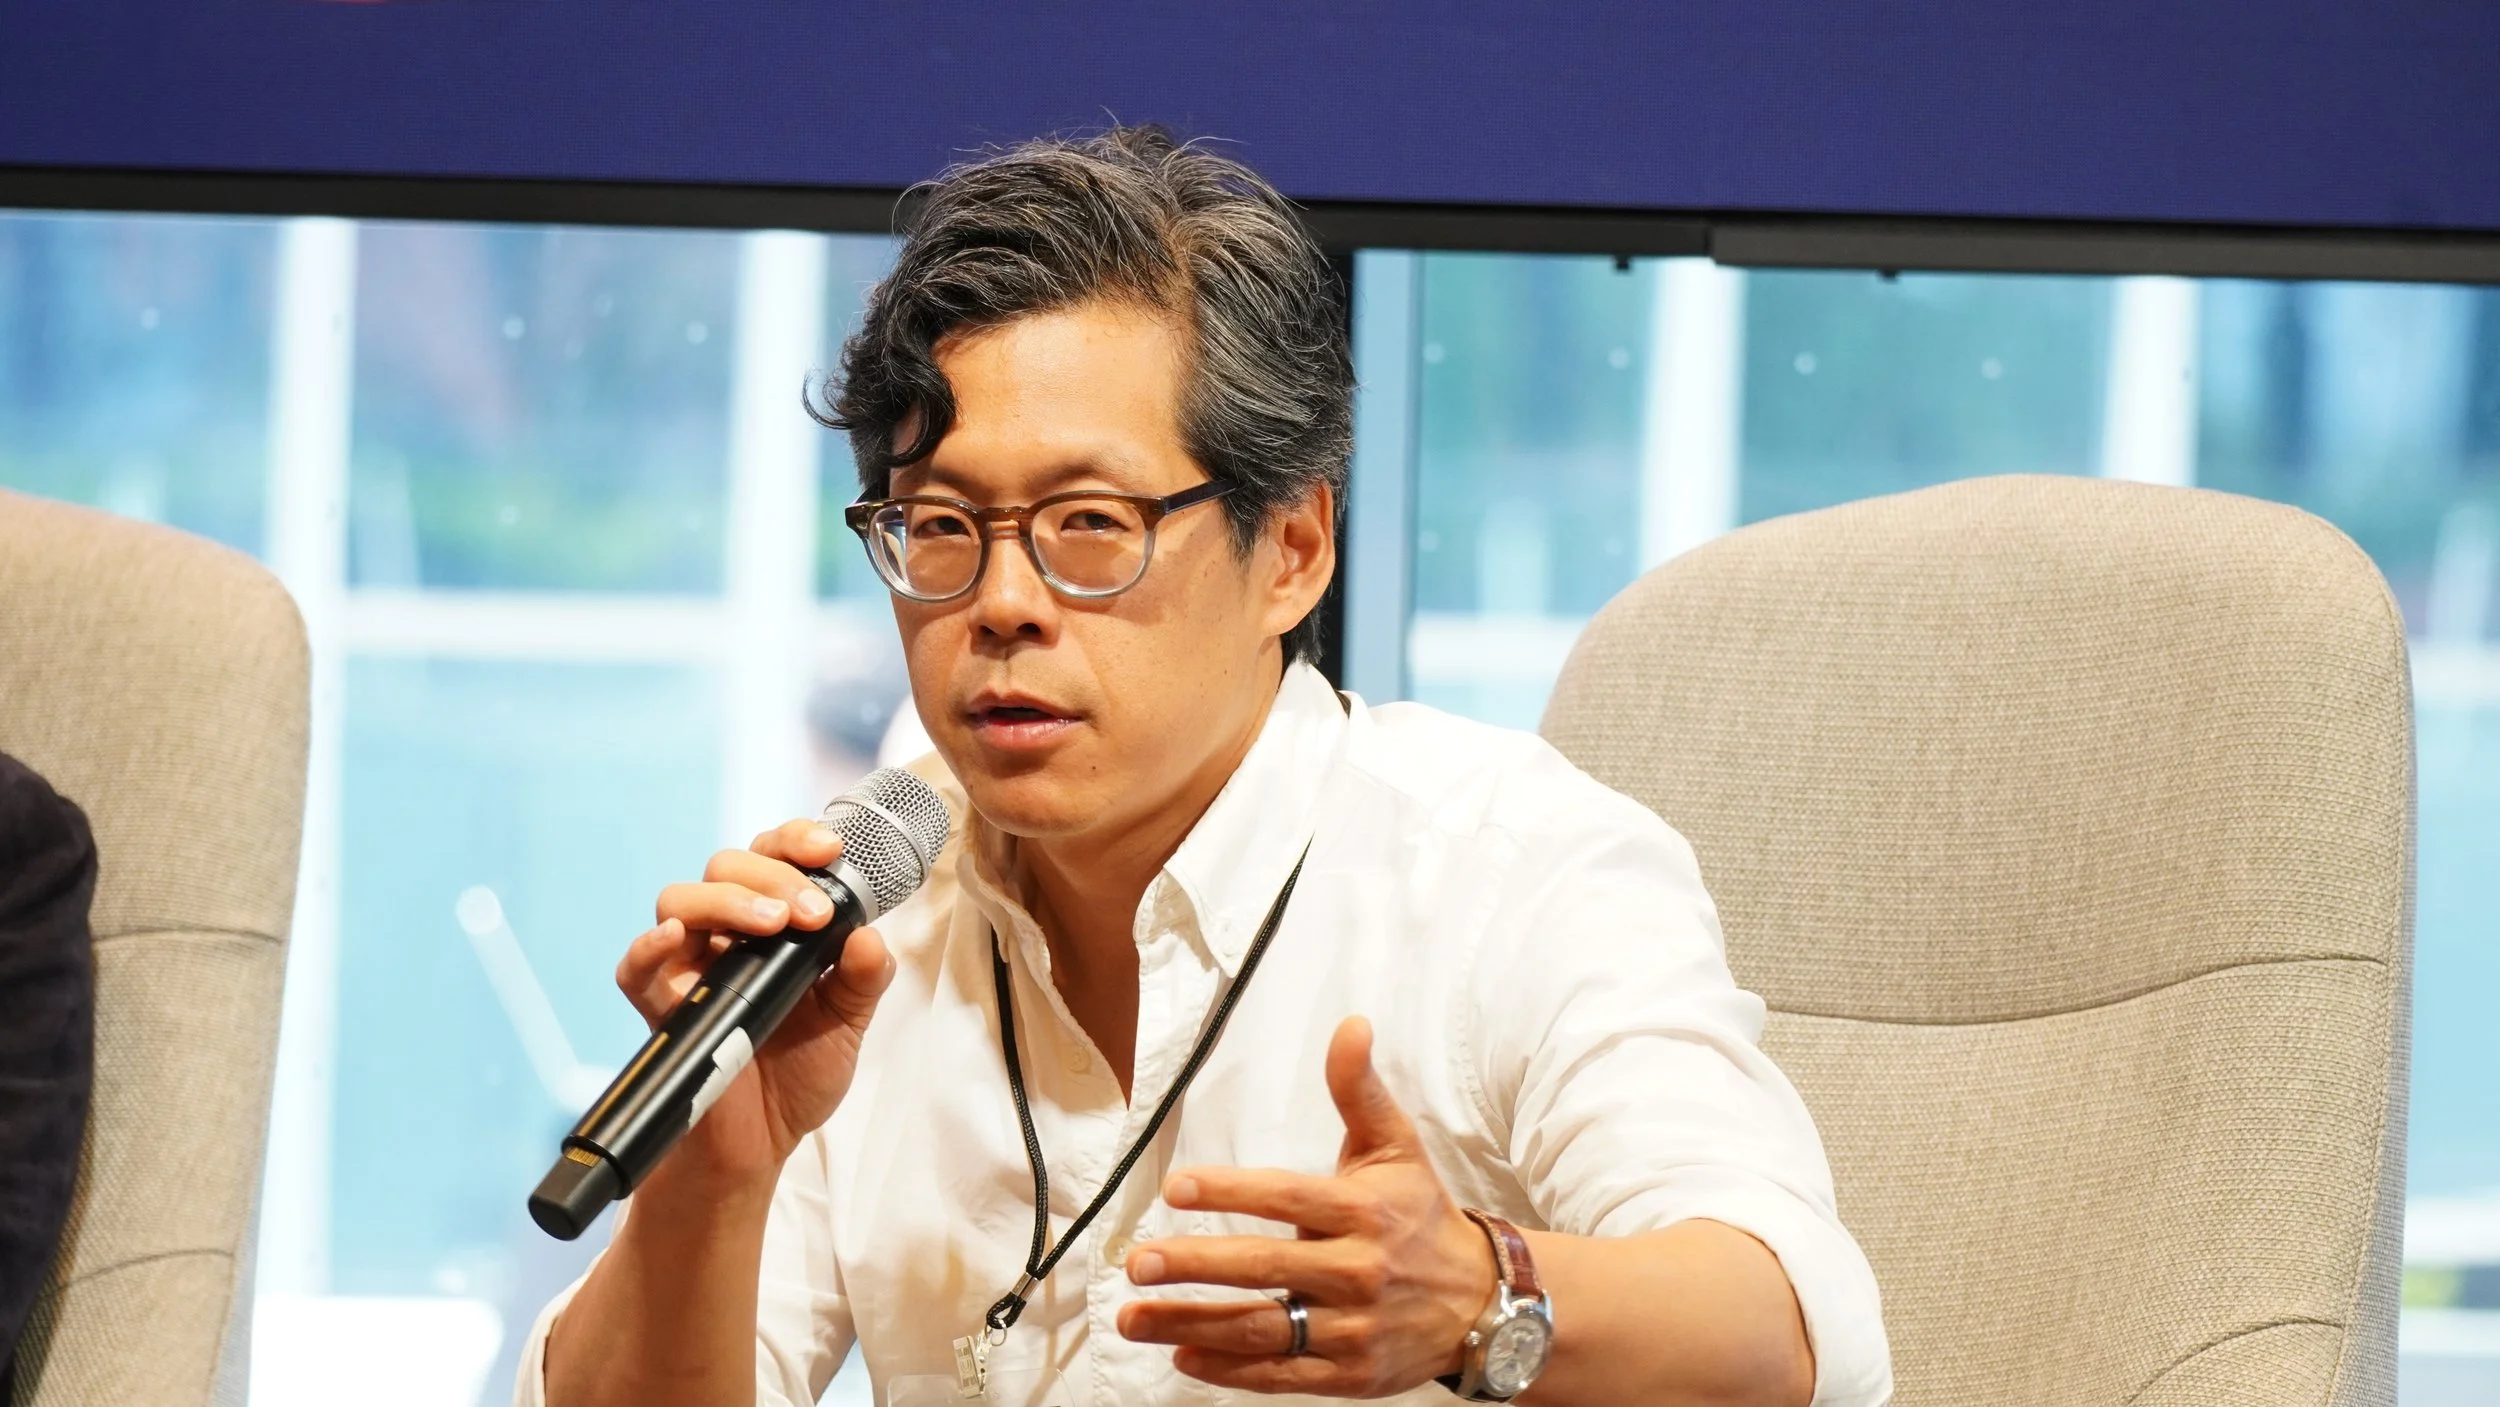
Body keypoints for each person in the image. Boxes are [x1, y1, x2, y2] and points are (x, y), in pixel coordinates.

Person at [524, 126, 1890, 1407]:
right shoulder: (860, 926)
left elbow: (1797, 1318)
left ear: (1290, 550)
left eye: (1089, 520)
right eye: (941, 522)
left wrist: (1484, 1291)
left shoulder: (1508, 865)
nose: (1002, 601)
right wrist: (714, 1171)